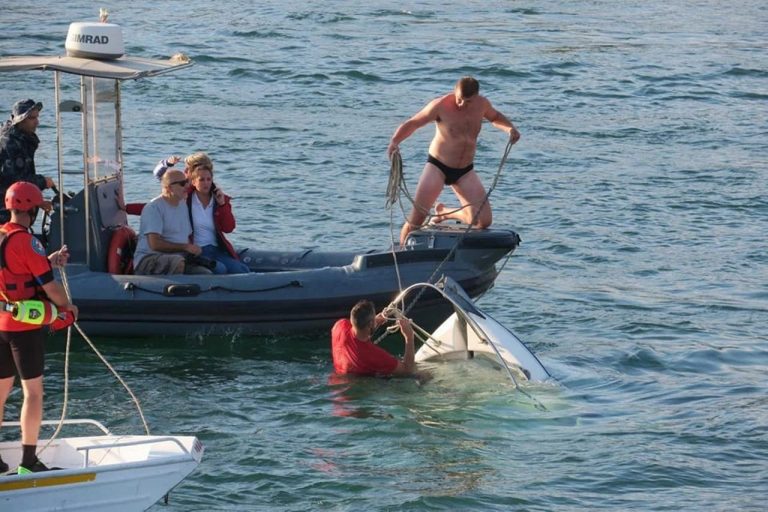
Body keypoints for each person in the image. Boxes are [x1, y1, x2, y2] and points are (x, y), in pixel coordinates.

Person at [387, 76, 521, 246]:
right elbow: (414, 122)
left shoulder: (482, 105)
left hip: (465, 170)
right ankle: (400, 254)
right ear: (455, 92)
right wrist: (395, 141)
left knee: (483, 221)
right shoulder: (441, 105)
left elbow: (495, 117)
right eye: (459, 99)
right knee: (417, 219)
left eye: (467, 101)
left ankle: (443, 213)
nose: (461, 104)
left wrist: (510, 128)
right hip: (438, 166)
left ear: (476, 97)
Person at [0, 181, 77, 474]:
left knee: (0, 392)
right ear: (31, 209)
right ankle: (29, 462)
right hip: (22, 327)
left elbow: (12, 270)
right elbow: (50, 287)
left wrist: (47, 260)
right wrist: (68, 308)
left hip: (0, 323)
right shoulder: (27, 241)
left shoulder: (1, 235)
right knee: (33, 392)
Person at [132, 169, 212, 275]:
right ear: (169, 188)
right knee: (177, 262)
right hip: (149, 259)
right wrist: (185, 247)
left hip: (179, 256)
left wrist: (194, 249)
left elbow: (184, 237)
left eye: (187, 181)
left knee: (206, 273)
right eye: (182, 184)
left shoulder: (182, 205)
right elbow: (155, 244)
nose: (187, 186)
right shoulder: (154, 208)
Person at [184, 152, 249, 274]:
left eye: (208, 179)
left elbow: (228, 228)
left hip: (215, 249)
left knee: (242, 270)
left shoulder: (220, 199)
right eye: (201, 180)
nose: (206, 183)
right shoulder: (186, 198)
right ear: (193, 181)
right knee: (220, 269)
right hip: (197, 250)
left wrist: (223, 205)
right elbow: (166, 189)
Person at [0, 99, 56, 223]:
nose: (37, 122)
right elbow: (15, 182)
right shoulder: (10, 143)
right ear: (20, 120)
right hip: (5, 213)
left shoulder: (19, 137)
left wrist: (38, 201)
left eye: (37, 117)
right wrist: (42, 181)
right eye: (32, 118)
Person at [331, 300, 415, 377]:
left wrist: (376, 321)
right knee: (422, 375)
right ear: (370, 324)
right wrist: (409, 337)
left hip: (337, 380)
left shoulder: (339, 326)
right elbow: (407, 370)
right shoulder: (373, 355)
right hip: (362, 386)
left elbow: (359, 335)